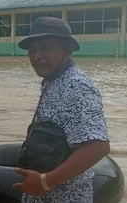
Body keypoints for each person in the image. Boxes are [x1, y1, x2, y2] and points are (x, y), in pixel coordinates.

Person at [13, 17, 110, 203]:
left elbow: (98, 146)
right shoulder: (53, 80)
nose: (36, 56)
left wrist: (45, 182)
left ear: (67, 49)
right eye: (32, 50)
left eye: (46, 48)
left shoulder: (77, 87)